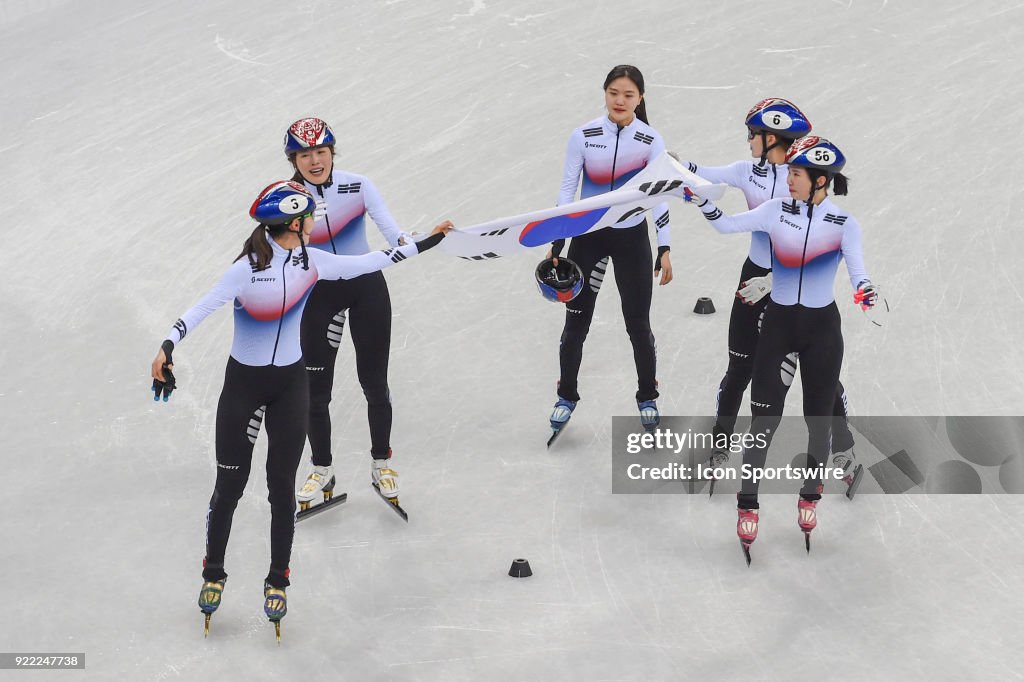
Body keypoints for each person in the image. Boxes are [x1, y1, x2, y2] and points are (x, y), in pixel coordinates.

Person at [149, 180, 452, 636]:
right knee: (229, 487)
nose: (317, 218)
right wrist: (167, 345)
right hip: (243, 388)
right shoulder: (246, 269)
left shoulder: (315, 262)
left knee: (280, 490)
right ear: (294, 222)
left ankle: (278, 579)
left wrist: (432, 239)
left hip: (290, 387)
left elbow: (373, 261)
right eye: (310, 214)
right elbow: (202, 306)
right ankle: (214, 572)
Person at [687, 136, 879, 560]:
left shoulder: (844, 224)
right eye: (788, 171)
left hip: (822, 330)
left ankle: (810, 498)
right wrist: (700, 201)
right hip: (777, 327)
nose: (786, 179)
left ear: (820, 180)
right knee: (764, 422)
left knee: (818, 420)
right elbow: (726, 224)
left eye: (795, 173)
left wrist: (865, 290)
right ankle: (747, 505)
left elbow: (858, 270)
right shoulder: (775, 212)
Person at [682, 99, 858, 491]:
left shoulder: (804, 180)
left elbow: (818, 242)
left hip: (793, 285)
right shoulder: (749, 172)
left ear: (770, 137)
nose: (747, 142)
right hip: (755, 278)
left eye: (751, 135)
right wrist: (671, 164)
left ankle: (843, 448)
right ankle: (720, 444)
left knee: (820, 376)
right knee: (740, 363)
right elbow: (701, 174)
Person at [281, 117, 415, 510]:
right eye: (305, 154)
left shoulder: (358, 184)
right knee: (314, 393)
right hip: (317, 296)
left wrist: (411, 242)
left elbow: (392, 230)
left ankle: (381, 463)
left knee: (375, 383)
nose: (315, 160)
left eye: (321, 151)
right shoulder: (287, 197)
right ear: (294, 158)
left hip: (366, 288)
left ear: (332, 152)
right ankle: (322, 468)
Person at [547, 64, 674, 435]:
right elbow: (567, 188)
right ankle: (566, 396)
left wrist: (664, 246)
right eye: (614, 93)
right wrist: (559, 237)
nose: (620, 100)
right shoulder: (584, 135)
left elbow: (660, 196)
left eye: (629, 95)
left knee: (638, 326)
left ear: (640, 98)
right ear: (604, 93)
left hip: (631, 239)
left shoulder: (651, 141)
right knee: (576, 324)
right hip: (587, 237)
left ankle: (647, 396)